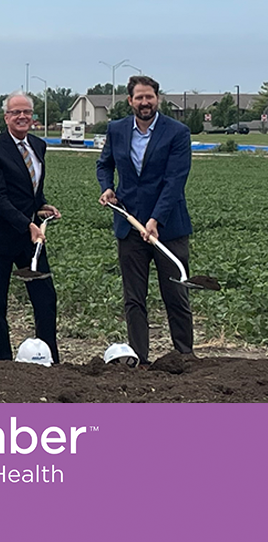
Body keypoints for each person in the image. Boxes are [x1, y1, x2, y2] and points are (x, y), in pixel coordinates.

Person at [97, 75, 193, 365]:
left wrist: (155, 219)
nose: (144, 102)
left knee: (175, 295)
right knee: (134, 298)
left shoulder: (177, 132)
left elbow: (174, 181)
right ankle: (140, 357)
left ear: (157, 99)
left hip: (168, 228)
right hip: (129, 227)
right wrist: (107, 187)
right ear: (130, 101)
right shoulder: (116, 130)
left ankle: (184, 355)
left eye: (149, 96)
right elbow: (104, 163)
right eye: (139, 97)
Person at [0, 91, 62, 363]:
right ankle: (3, 362)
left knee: (45, 298)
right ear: (6, 117)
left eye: (27, 112)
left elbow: (30, 190)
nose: (22, 117)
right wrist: (27, 224)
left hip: (29, 239)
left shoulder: (38, 145)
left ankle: (49, 357)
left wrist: (42, 206)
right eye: (16, 113)